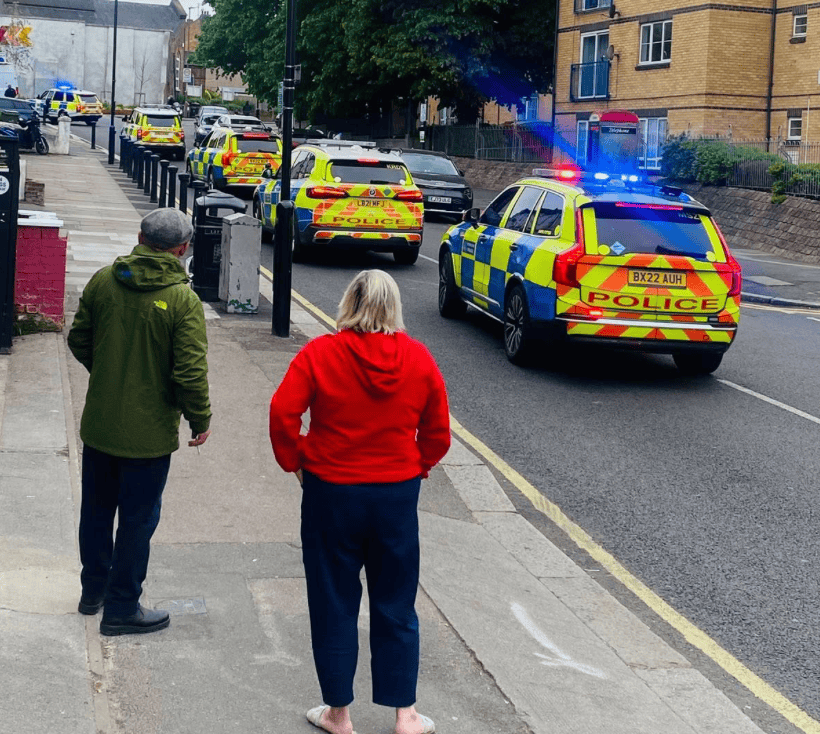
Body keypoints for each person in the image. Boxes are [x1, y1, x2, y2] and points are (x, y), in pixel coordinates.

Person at [269, 270, 450, 734]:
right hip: (395, 494)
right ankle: (405, 715)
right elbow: (437, 431)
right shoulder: (419, 358)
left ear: (348, 301)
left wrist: (295, 460)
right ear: (394, 307)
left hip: (332, 491)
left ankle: (338, 714)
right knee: (396, 600)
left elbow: (283, 410)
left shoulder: (320, 353)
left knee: (333, 599)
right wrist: (419, 464)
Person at [67, 208, 212, 636]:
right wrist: (198, 417)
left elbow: (78, 337)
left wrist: (109, 371)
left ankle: (92, 593)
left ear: (140, 237)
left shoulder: (104, 280)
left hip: (100, 427)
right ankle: (122, 607)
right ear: (182, 249)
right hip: (147, 439)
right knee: (137, 521)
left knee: (95, 512)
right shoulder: (183, 300)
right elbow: (189, 372)